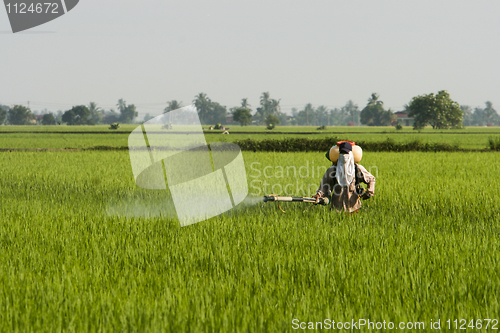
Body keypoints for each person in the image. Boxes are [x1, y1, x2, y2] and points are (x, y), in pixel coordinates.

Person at [312, 141, 375, 213]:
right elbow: (324, 186)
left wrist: (369, 192)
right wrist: (318, 195)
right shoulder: (332, 170)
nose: (344, 155)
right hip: (336, 210)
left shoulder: (357, 169)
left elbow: (371, 179)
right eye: (342, 153)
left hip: (353, 209)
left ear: (350, 154)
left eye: (346, 153)